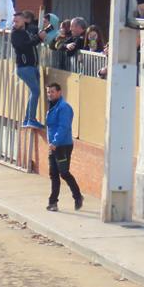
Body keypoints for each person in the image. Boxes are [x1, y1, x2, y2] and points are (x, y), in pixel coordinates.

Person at [44, 83, 83, 212]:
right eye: (48, 92)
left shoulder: (64, 107)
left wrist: (55, 142)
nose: (50, 94)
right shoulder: (52, 106)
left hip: (62, 146)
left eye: (52, 92)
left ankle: (77, 197)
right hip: (53, 145)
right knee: (53, 174)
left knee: (64, 173)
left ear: (59, 92)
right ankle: (53, 202)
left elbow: (63, 127)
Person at [11, 12, 45, 130]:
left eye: (17, 21)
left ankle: (28, 119)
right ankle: (31, 119)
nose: (15, 23)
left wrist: (40, 34)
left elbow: (32, 38)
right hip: (25, 67)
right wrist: (38, 39)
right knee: (35, 91)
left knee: (33, 92)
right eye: (14, 21)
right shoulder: (15, 34)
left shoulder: (27, 31)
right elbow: (24, 46)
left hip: (31, 66)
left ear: (24, 21)